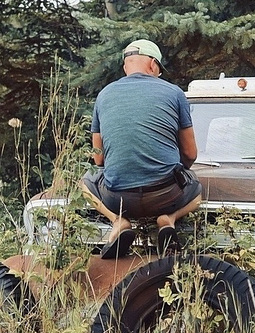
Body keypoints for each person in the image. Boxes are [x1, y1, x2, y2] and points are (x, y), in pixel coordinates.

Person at [80, 39, 202, 259]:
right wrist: (177, 172)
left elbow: (98, 160)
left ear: (126, 66)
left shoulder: (104, 95)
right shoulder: (174, 93)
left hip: (118, 198)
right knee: (197, 191)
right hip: (166, 194)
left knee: (84, 183)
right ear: (153, 64)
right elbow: (191, 154)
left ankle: (118, 221)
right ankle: (168, 220)